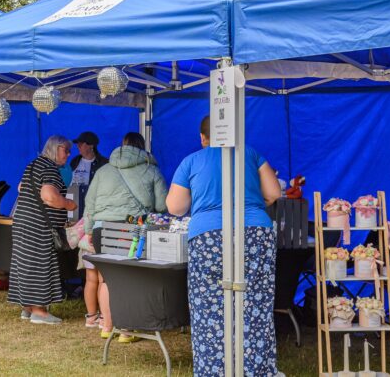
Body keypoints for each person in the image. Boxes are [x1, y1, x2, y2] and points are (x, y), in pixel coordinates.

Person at [165, 116, 281, 376]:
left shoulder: (191, 161)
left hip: (207, 237)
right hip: (254, 233)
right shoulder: (251, 154)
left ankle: (213, 370)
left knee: (208, 307)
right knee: (255, 305)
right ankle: (255, 369)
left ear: (203, 137)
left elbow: (174, 207)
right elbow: (274, 193)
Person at [83, 132, 168, 342]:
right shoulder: (151, 169)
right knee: (131, 277)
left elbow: (90, 204)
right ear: (142, 148)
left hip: (102, 229)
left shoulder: (103, 170)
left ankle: (107, 325)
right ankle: (126, 331)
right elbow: (162, 206)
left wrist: (88, 230)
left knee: (106, 278)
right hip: (132, 228)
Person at [8, 135, 77, 325]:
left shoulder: (34, 164)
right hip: (38, 227)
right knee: (40, 265)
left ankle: (27, 308)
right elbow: (49, 196)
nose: (69, 154)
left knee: (25, 265)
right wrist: (68, 204)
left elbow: (21, 187)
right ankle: (40, 311)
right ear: (55, 148)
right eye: (66, 150)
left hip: (23, 222)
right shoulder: (49, 168)